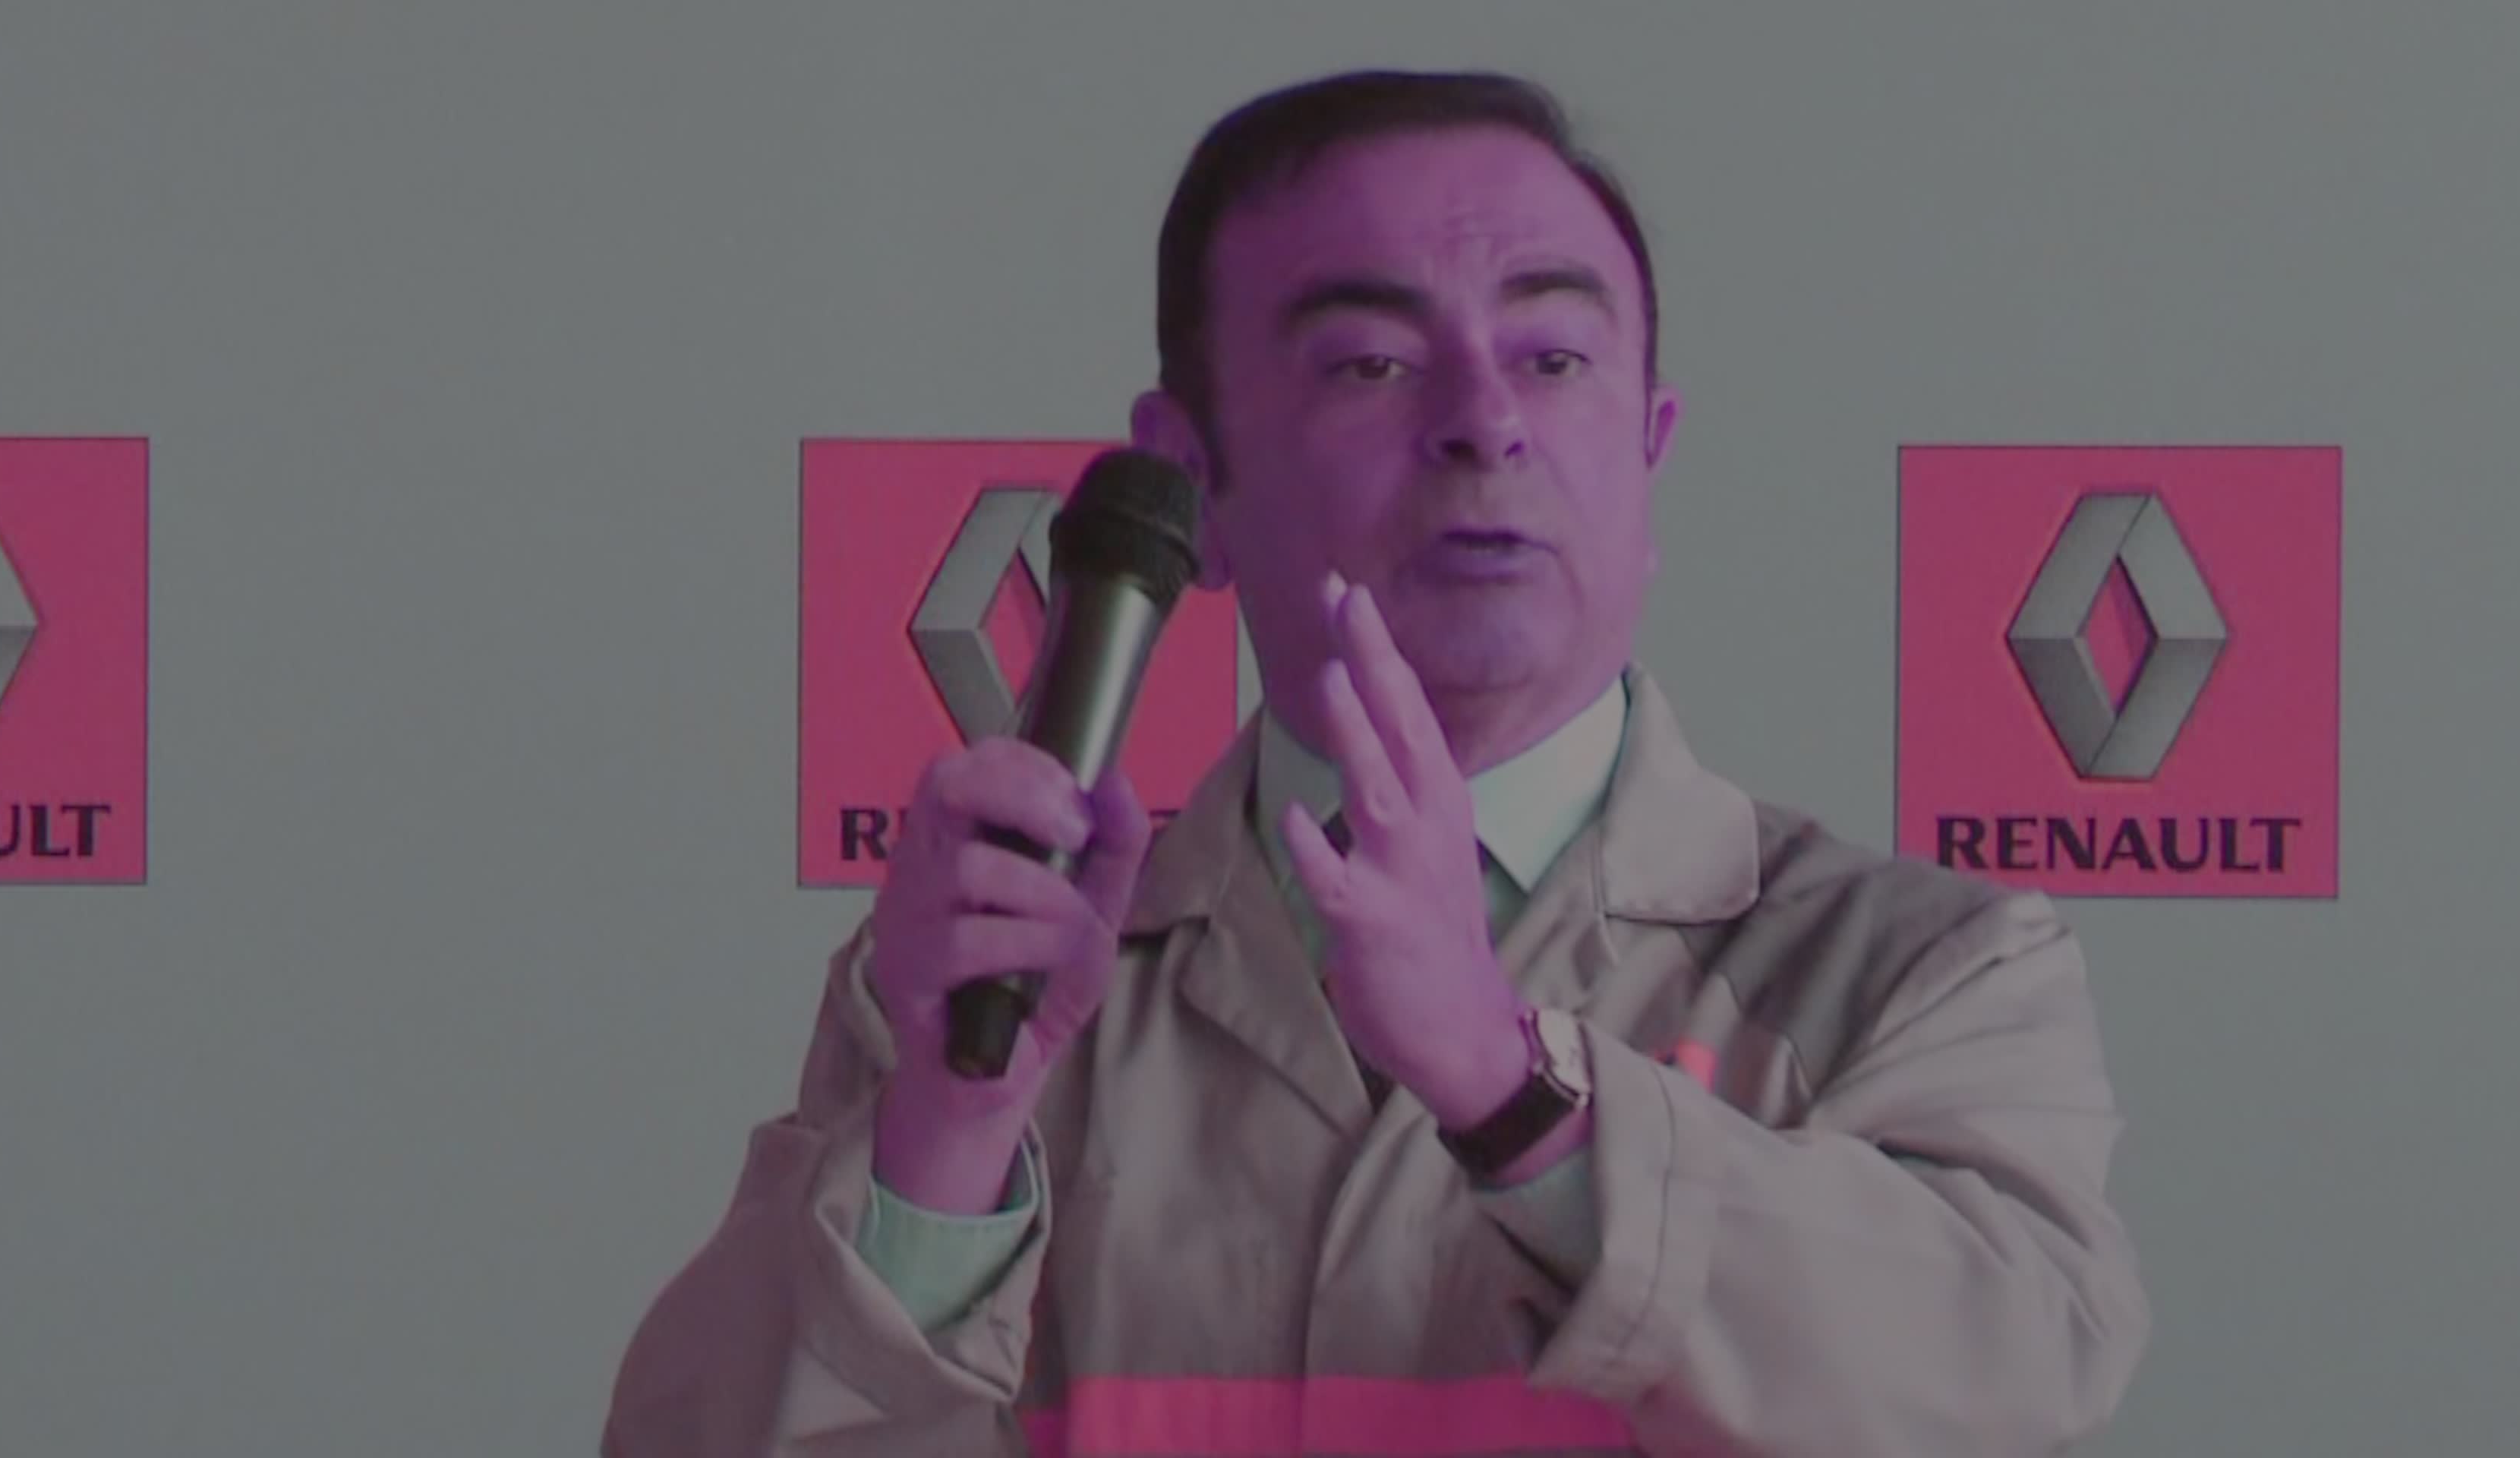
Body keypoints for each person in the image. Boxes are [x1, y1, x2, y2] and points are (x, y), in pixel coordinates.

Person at [605, 68, 2149, 1457]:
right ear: (1191, 476)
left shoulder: (1917, 975)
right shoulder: (991, 980)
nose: (1486, 423)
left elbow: (2008, 1384)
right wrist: (947, 1139)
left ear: (1649, 448)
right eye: (1371, 366)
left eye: (1554, 357)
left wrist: (1513, 1087)